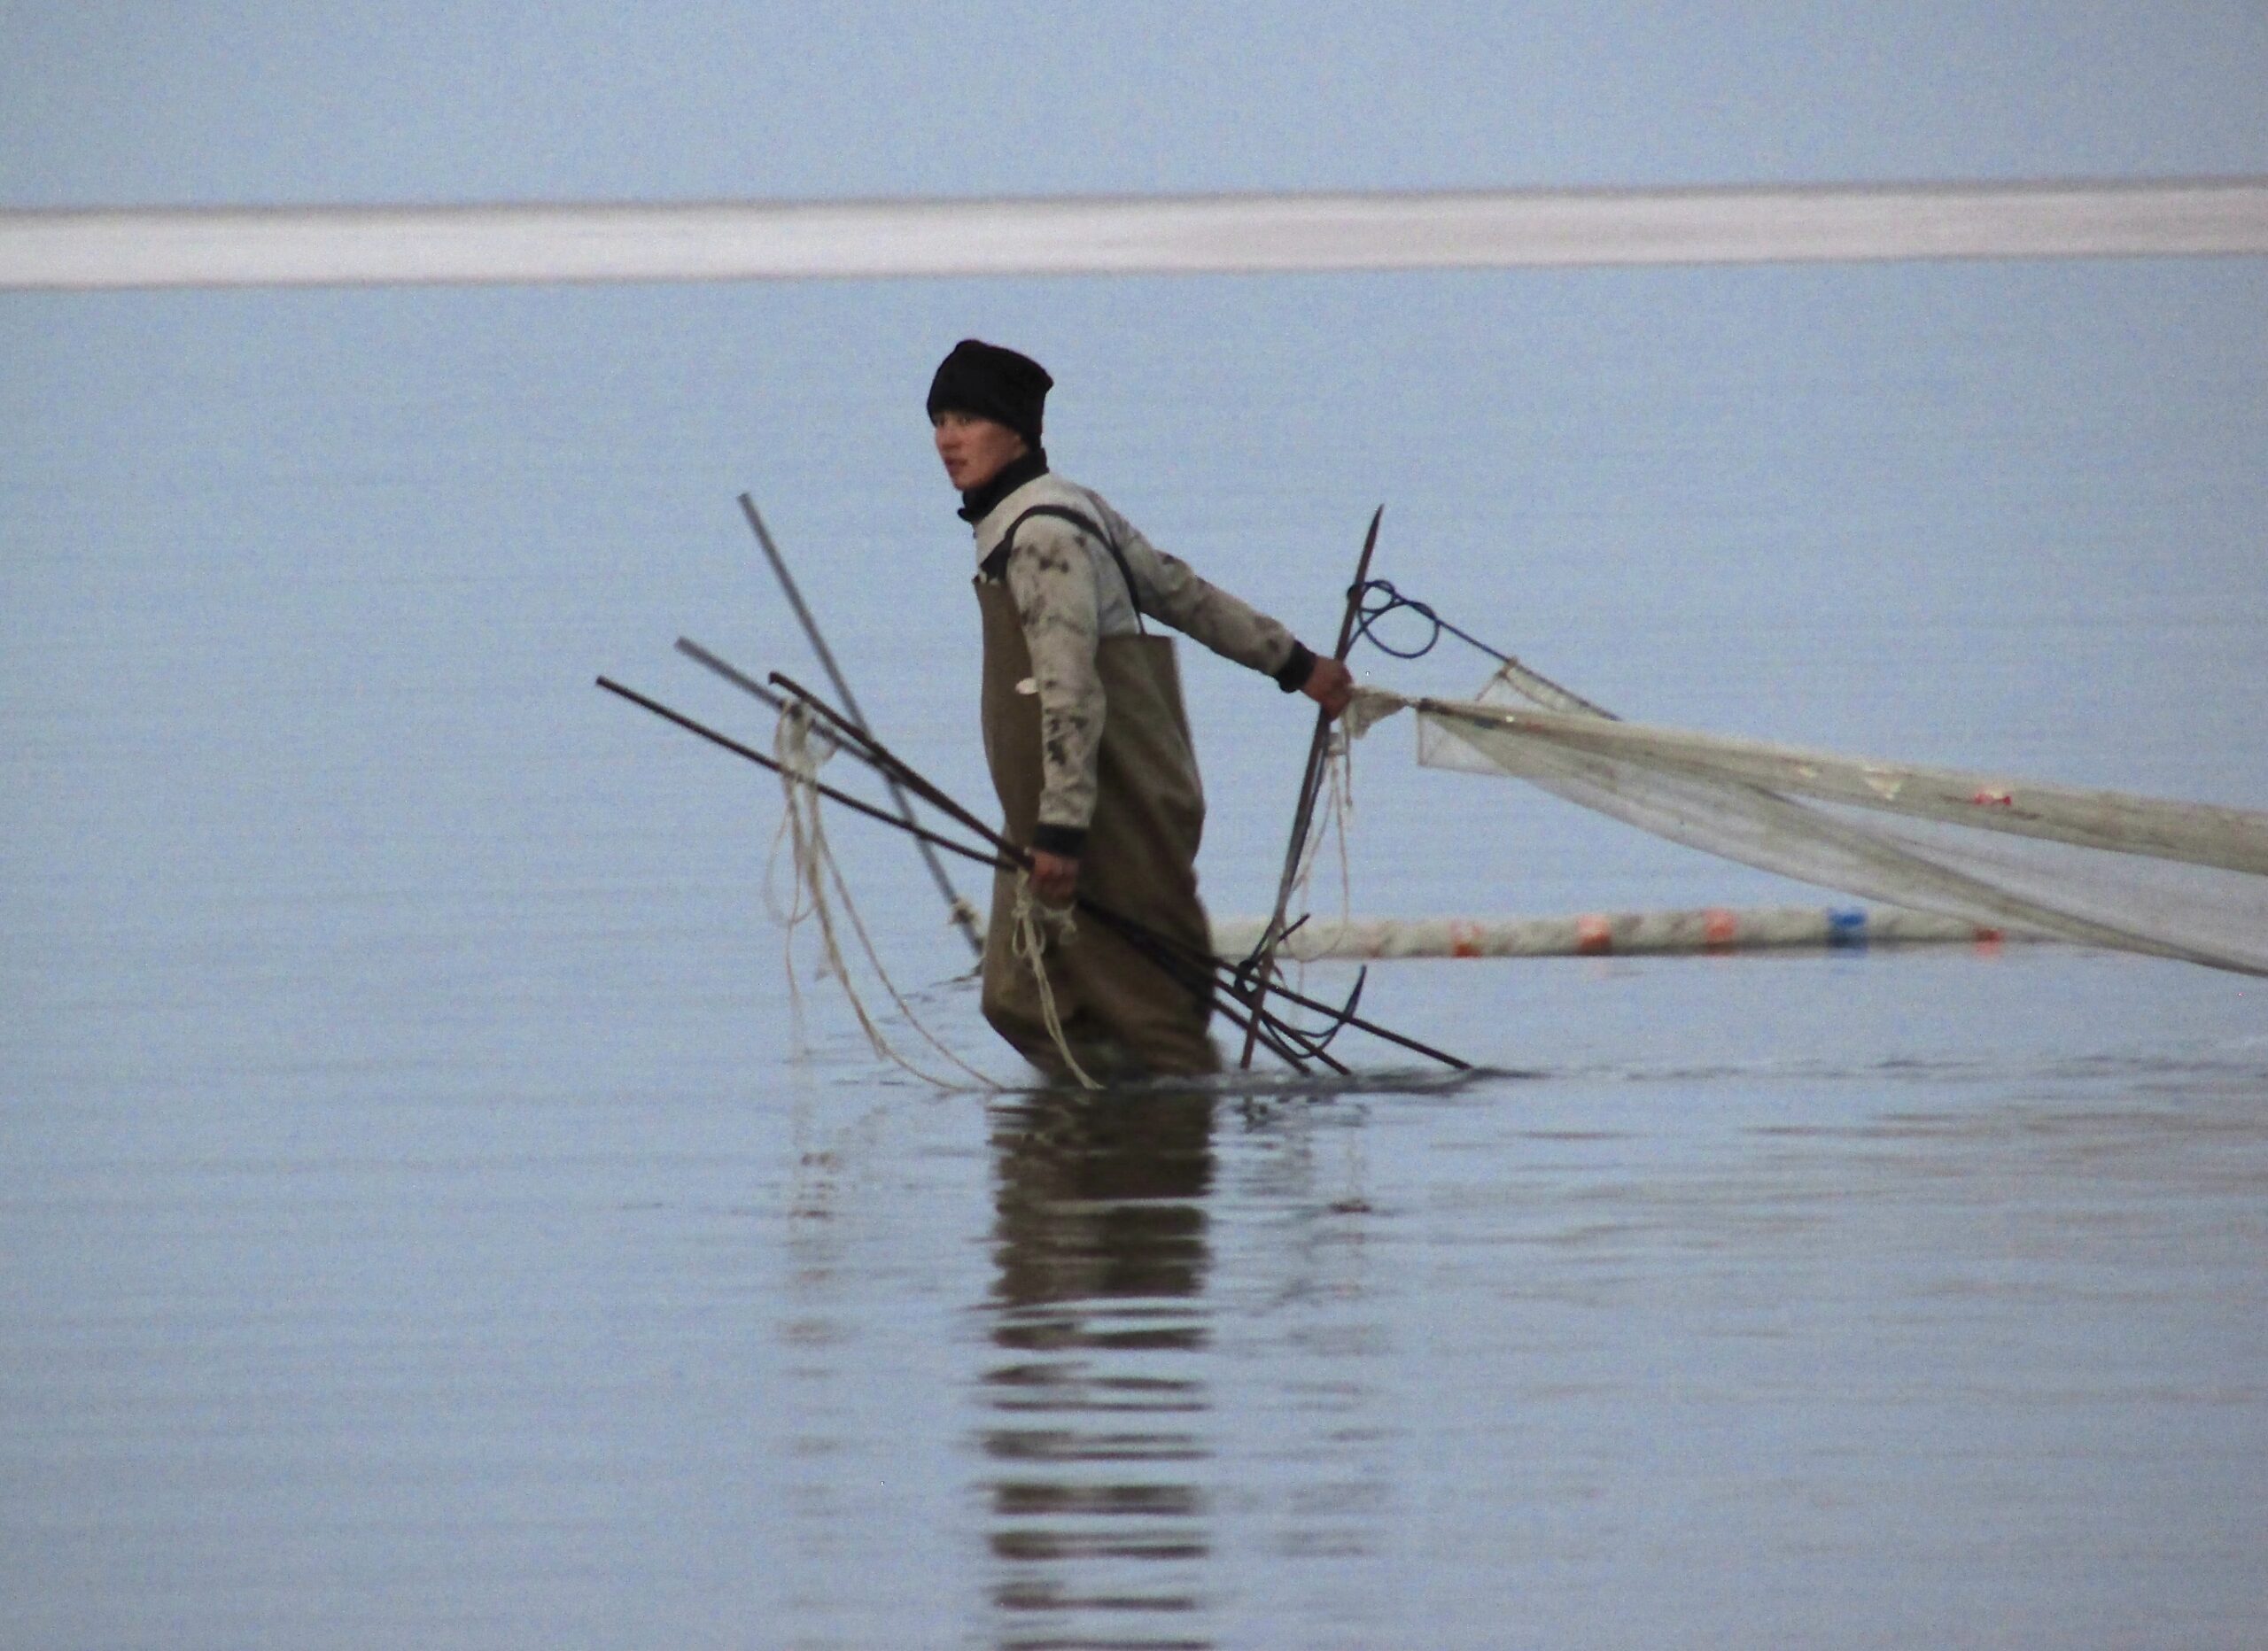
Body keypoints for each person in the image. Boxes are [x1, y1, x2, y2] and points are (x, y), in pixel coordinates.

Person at [928, 337, 1354, 1081]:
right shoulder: (1068, 507)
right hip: (1070, 809)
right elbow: (1183, 594)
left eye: (967, 419)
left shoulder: (1043, 539)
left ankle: (1151, 1153)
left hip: (1102, 813)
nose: (947, 439)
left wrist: (1060, 832)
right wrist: (1297, 663)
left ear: (1018, 430)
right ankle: (1105, 1153)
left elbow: (1070, 694)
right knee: (1021, 997)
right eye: (938, 420)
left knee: (1140, 1019)